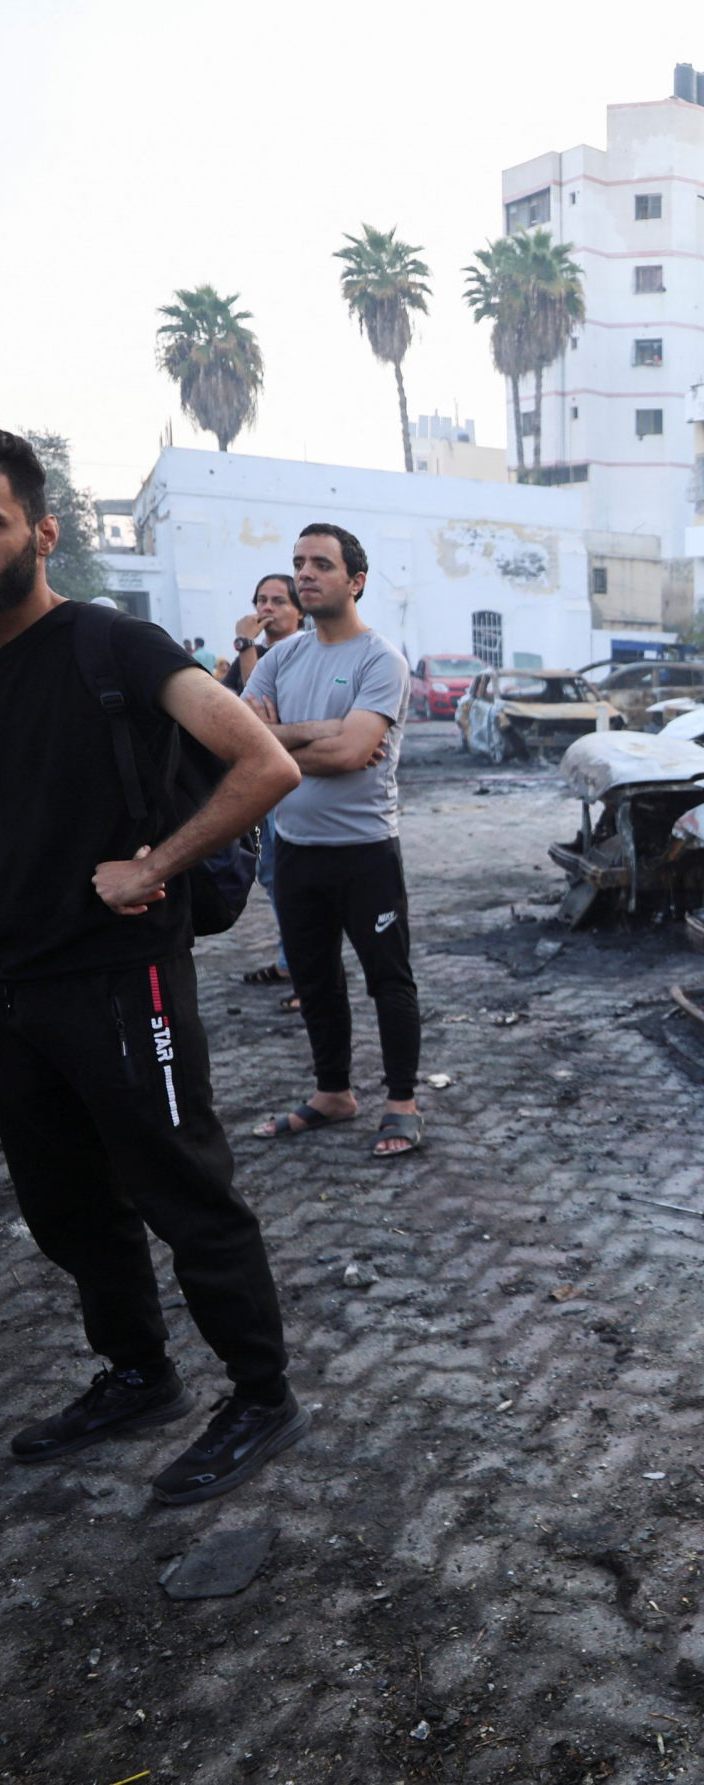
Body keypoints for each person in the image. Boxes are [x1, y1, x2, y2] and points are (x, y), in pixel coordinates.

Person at [0, 429, 310, 1505]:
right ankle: (138, 1373)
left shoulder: (107, 645)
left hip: (123, 972)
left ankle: (262, 1396)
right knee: (65, 1206)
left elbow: (263, 763)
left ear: (40, 534)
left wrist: (156, 865)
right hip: (18, 987)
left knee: (184, 1190)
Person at [245, 523, 423, 1158]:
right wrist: (318, 734)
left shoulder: (381, 660)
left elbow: (354, 753)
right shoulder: (281, 658)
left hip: (365, 851)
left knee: (388, 979)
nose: (306, 574)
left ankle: (401, 1102)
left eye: (322, 563)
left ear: (357, 580)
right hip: (295, 849)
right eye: (299, 563)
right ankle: (333, 1094)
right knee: (315, 979)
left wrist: (282, 738)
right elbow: (244, 740)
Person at [227, 575, 305, 999]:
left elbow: (263, 721)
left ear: (299, 611)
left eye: (278, 600)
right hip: (265, 791)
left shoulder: (301, 654)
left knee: (297, 883)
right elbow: (243, 716)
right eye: (261, 599)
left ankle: (306, 971)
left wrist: (245, 646)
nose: (267, 608)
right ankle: (289, 961)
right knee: (274, 876)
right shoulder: (258, 655)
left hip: (298, 789)